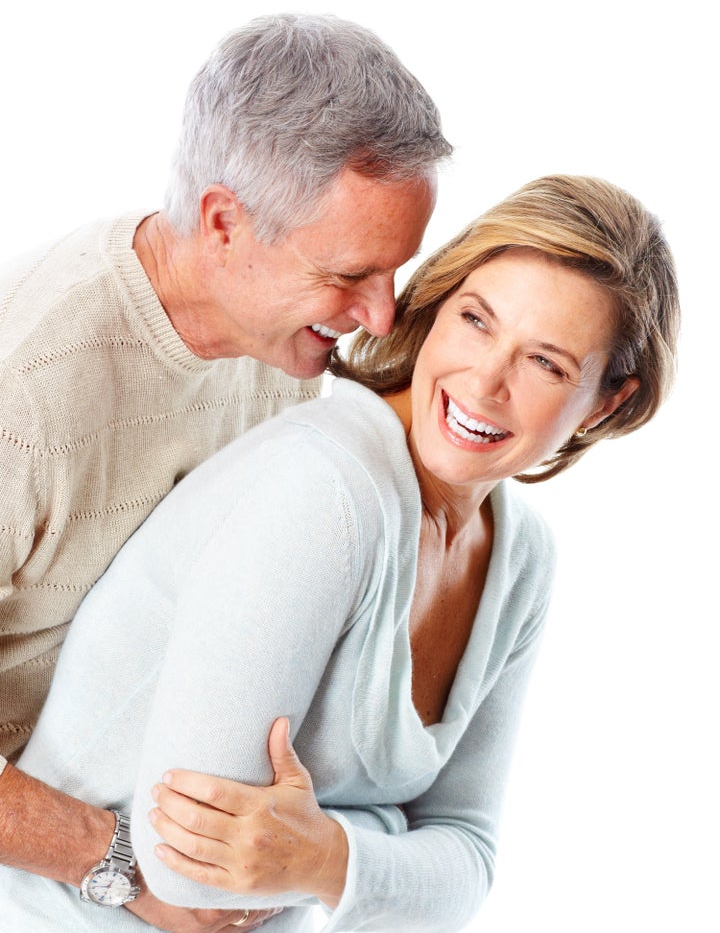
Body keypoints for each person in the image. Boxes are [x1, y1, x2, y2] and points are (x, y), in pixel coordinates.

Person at [1, 174, 679, 931]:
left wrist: (326, 856)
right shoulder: (323, 487)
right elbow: (192, 874)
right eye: (477, 321)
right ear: (435, 310)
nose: (485, 383)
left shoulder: (521, 560)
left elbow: (472, 859)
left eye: (545, 363)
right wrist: (388, 841)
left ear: (609, 401)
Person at [0, 13, 448, 932]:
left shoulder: (281, 343)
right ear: (223, 224)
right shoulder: (28, 389)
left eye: (394, 273)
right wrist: (120, 865)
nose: (381, 312)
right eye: (351, 273)